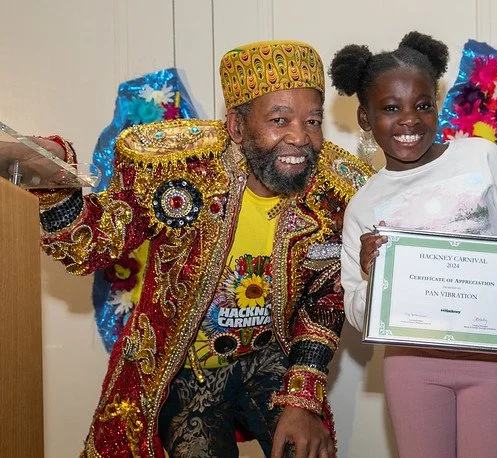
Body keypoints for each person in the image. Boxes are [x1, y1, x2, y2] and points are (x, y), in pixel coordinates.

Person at [10, 40, 372, 457]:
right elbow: (93, 245)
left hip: (272, 362)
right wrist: (52, 181)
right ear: (236, 127)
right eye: (279, 119)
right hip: (184, 372)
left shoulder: (331, 192)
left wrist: (301, 399)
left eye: (312, 121)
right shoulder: (179, 173)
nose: (300, 137)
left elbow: (324, 298)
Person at [332, 31, 497, 458]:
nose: (409, 120)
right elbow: (357, 310)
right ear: (364, 117)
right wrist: (372, 274)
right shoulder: (363, 204)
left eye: (422, 105)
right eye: (390, 108)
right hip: (411, 365)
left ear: (438, 106)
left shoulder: (481, 158)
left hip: (493, 358)